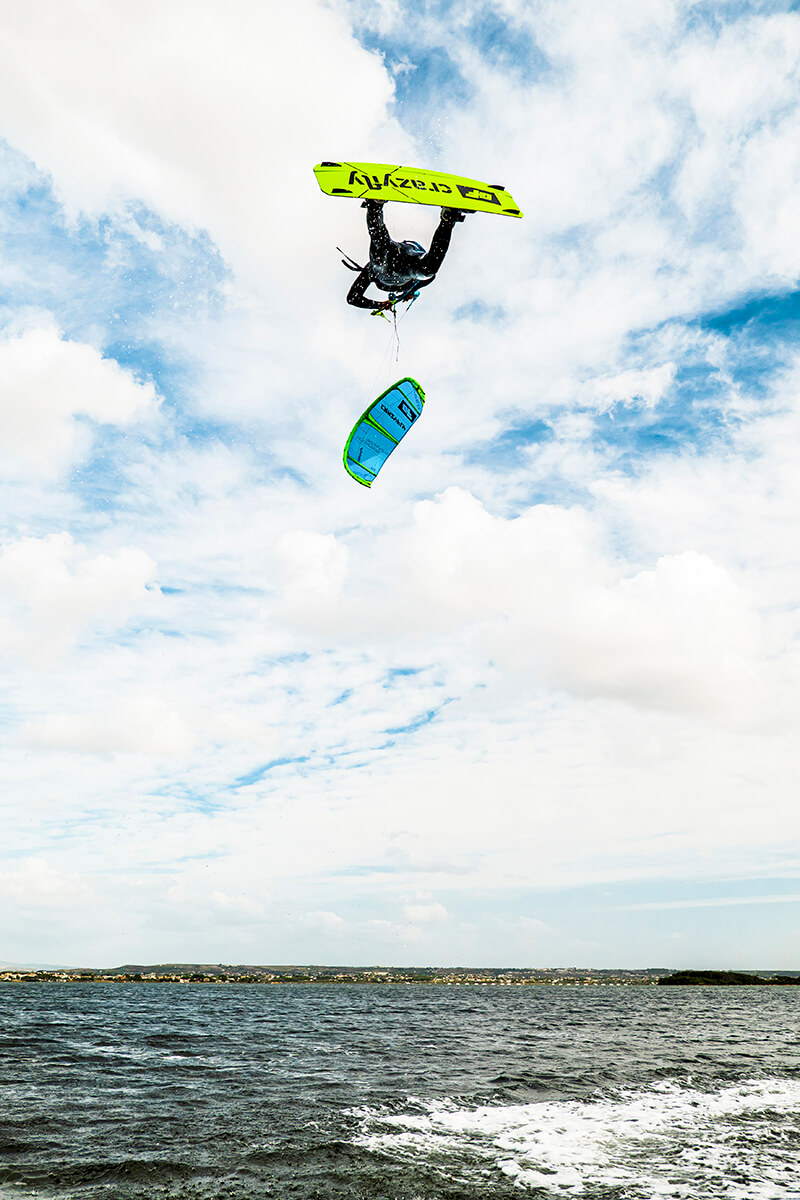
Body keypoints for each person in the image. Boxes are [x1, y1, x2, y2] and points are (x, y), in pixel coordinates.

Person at [345, 199, 468, 311]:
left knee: (380, 245)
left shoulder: (370, 270)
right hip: (405, 265)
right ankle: (448, 220)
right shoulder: (413, 281)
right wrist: (412, 290)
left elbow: (353, 298)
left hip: (395, 263)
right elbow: (430, 277)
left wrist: (380, 305)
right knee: (428, 271)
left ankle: (374, 207)